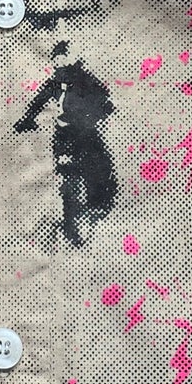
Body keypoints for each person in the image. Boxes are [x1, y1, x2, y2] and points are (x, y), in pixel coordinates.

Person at [14, 45, 119, 246]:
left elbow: (106, 104)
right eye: (56, 60)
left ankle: (96, 205)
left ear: (71, 61)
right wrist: (27, 120)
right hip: (65, 136)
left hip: (86, 134)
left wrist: (95, 117)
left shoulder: (86, 80)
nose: (58, 65)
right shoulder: (56, 83)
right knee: (68, 175)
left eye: (62, 60)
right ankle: (72, 217)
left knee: (97, 168)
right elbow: (38, 101)